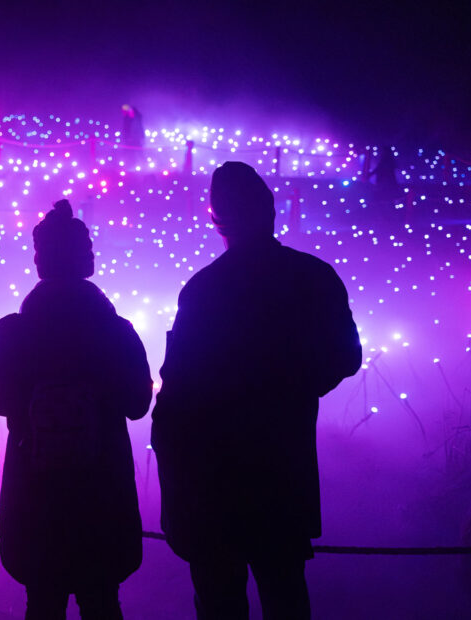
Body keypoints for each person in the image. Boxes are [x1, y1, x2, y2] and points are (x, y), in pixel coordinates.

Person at [151, 162, 362, 620]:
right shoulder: (314, 276)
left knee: (220, 601)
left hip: (213, 482)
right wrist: (292, 388)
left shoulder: (205, 290)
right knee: (285, 595)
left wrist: (174, 493)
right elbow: (346, 358)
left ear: (216, 218)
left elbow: (177, 395)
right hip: (283, 472)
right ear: (270, 212)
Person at [0, 199, 152, 619]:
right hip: (102, 492)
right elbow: (137, 402)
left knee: (41, 601)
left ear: (41, 262)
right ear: (83, 261)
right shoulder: (115, 330)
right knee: (103, 602)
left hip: (35, 494)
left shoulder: (13, 331)